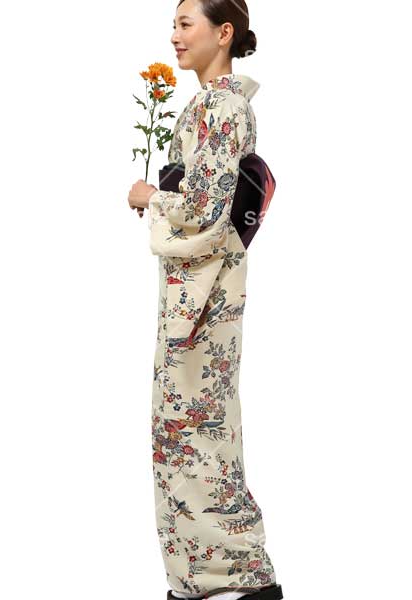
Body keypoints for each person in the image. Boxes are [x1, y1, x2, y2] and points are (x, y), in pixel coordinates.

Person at [128, 1, 282, 599]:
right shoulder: (210, 105)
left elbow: (205, 208)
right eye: (173, 25)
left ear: (224, 33)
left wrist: (152, 196)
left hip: (206, 293)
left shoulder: (223, 107)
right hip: (196, 287)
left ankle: (241, 575)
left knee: (198, 428)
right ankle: (200, 576)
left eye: (185, 24)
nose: (174, 35)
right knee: (187, 428)